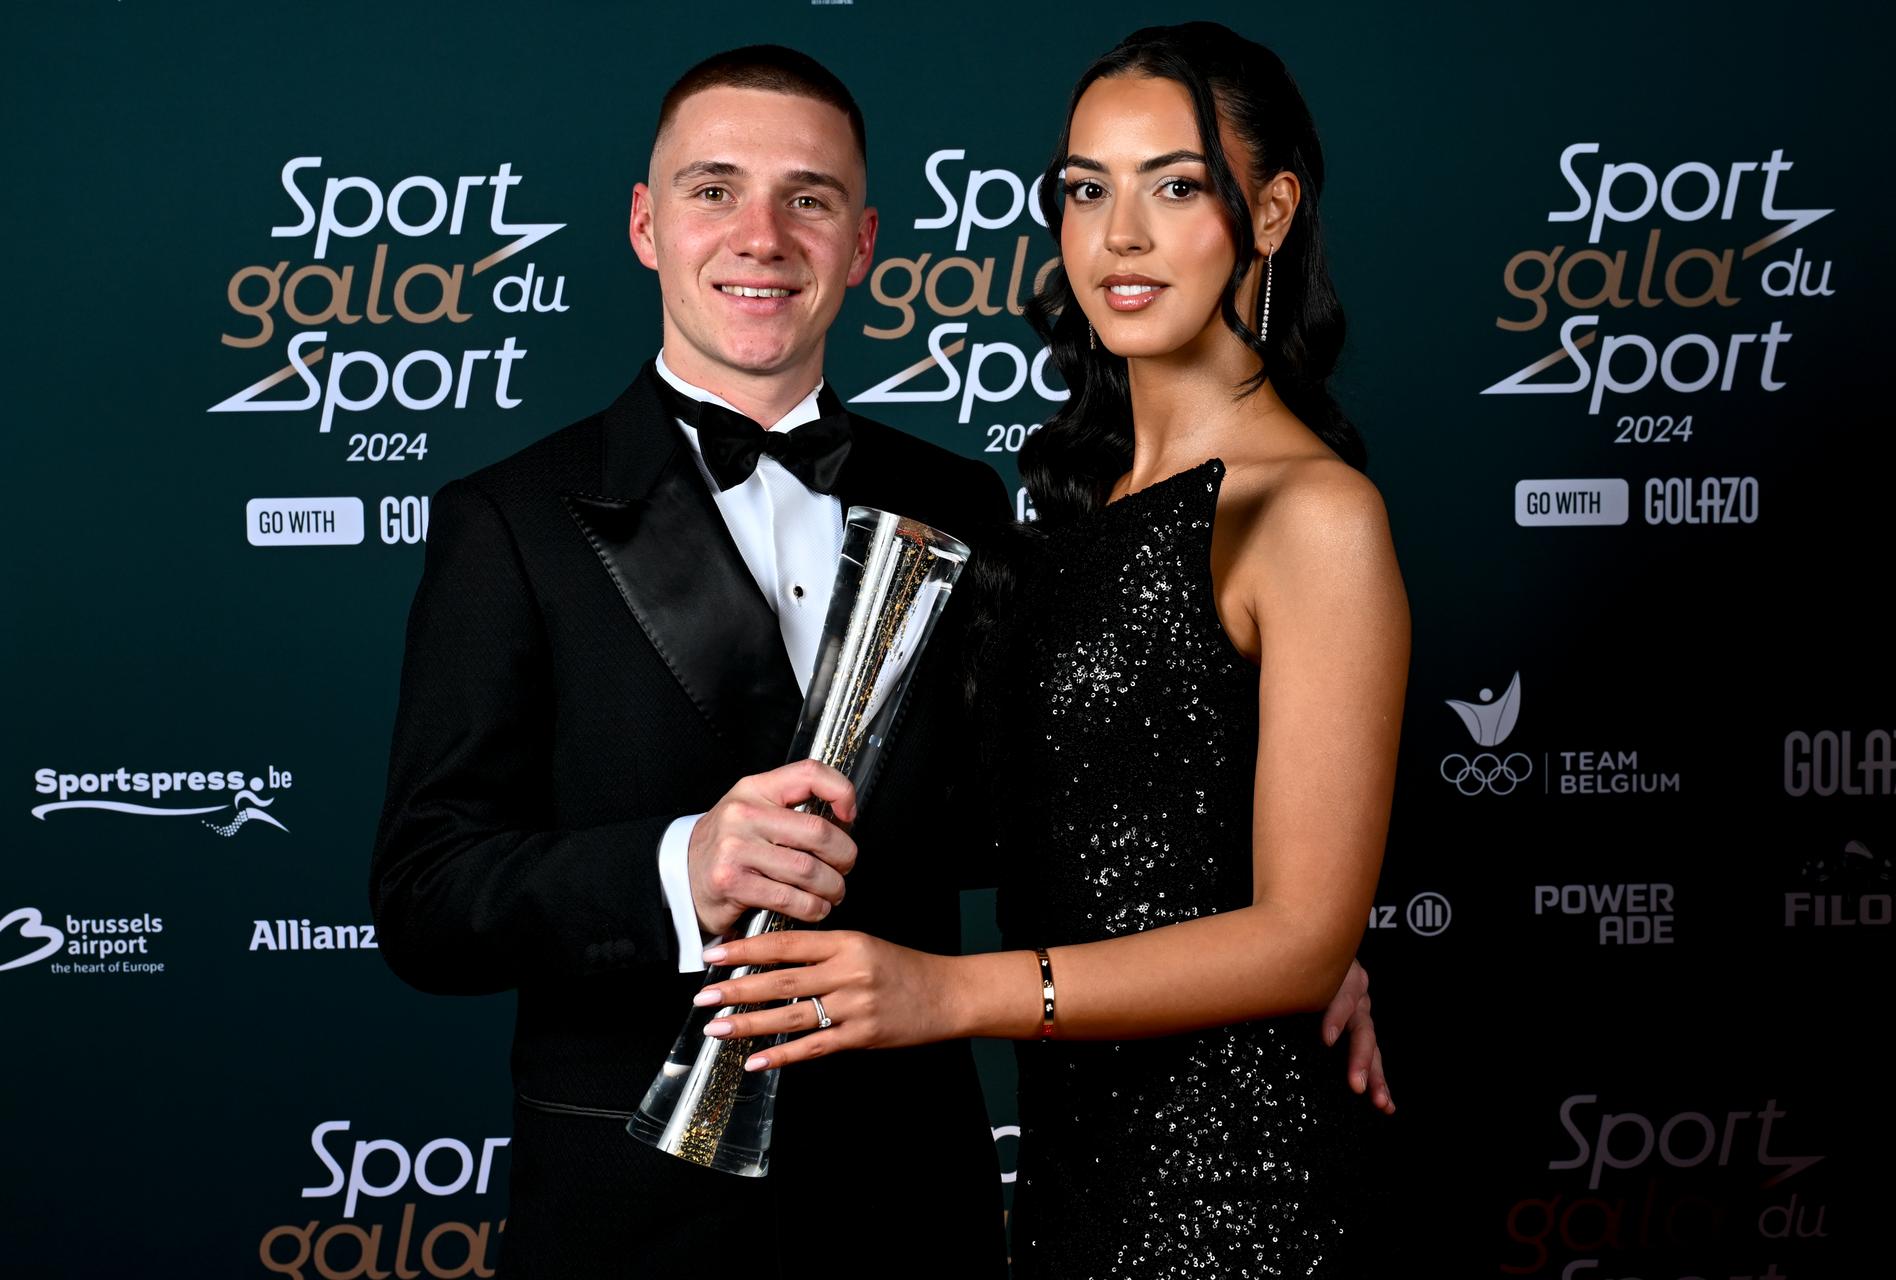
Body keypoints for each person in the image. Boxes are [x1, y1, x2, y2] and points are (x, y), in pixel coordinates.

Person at [372, 41, 1390, 1279]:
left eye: (807, 198)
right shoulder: (510, 519)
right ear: (645, 224)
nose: (761, 235)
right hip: (638, 1216)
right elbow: (427, 896)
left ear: (861, 247)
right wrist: (675, 865)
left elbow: (1060, 799)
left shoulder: (965, 500)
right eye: (713, 190)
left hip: (921, 1202)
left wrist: (1301, 936)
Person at [693, 24, 1409, 1278]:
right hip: (1074, 1167)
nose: (1117, 237)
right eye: (1087, 190)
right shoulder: (1065, 506)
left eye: (1174, 186)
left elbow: (1297, 933)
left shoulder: (1314, 513)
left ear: (1274, 209)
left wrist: (947, 994)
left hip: (1232, 1183)